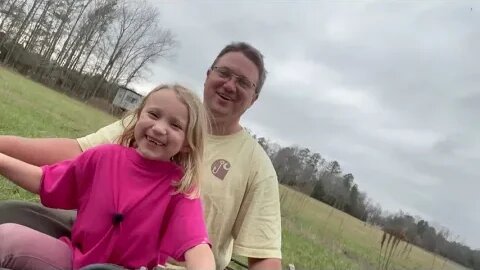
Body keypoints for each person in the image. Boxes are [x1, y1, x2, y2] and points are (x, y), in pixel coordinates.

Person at [0, 42, 282, 270]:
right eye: (224, 72)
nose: (230, 85)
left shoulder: (249, 169)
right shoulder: (136, 132)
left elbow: (217, 248)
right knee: (8, 217)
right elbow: (71, 158)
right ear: (208, 74)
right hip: (90, 235)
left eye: (243, 82)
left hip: (155, 263)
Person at [0, 84, 215, 270]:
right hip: (74, 259)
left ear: (188, 143)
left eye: (175, 125)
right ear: (137, 117)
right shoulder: (103, 156)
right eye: (154, 114)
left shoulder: (180, 188)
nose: (159, 128)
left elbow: (197, 245)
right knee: (6, 236)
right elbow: (44, 180)